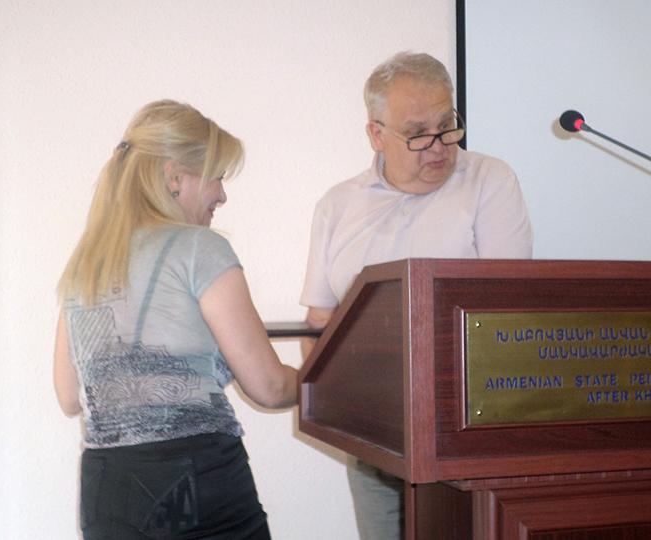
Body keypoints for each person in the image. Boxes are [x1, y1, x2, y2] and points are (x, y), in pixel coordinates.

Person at [299, 52, 534, 540]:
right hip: (371, 434)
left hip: (463, 432)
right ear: (376, 134)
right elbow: (319, 324)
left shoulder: (489, 182)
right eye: (418, 133)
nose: (439, 146)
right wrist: (340, 406)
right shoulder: (338, 205)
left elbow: (508, 310)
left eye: (447, 126)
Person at [53, 100, 297, 540]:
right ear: (174, 178)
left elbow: (71, 398)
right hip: (194, 475)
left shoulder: (87, 263)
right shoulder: (200, 249)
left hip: (106, 486)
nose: (222, 194)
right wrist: (326, 382)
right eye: (216, 175)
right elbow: (269, 386)